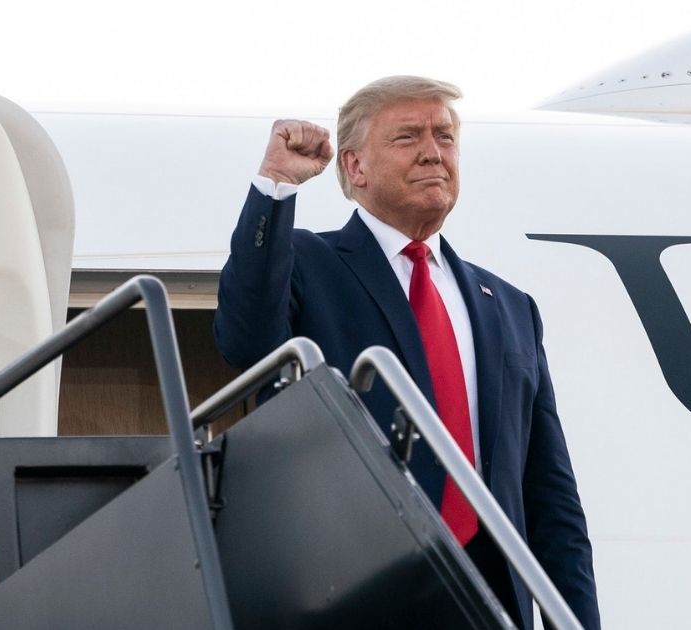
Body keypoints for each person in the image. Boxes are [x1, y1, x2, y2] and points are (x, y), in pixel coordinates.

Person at [214, 75, 600, 629]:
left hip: (490, 601)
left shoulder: (511, 307)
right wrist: (276, 185)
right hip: (355, 593)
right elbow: (245, 343)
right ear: (355, 167)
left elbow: (551, 497)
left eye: (444, 136)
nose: (432, 152)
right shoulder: (306, 262)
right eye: (407, 137)